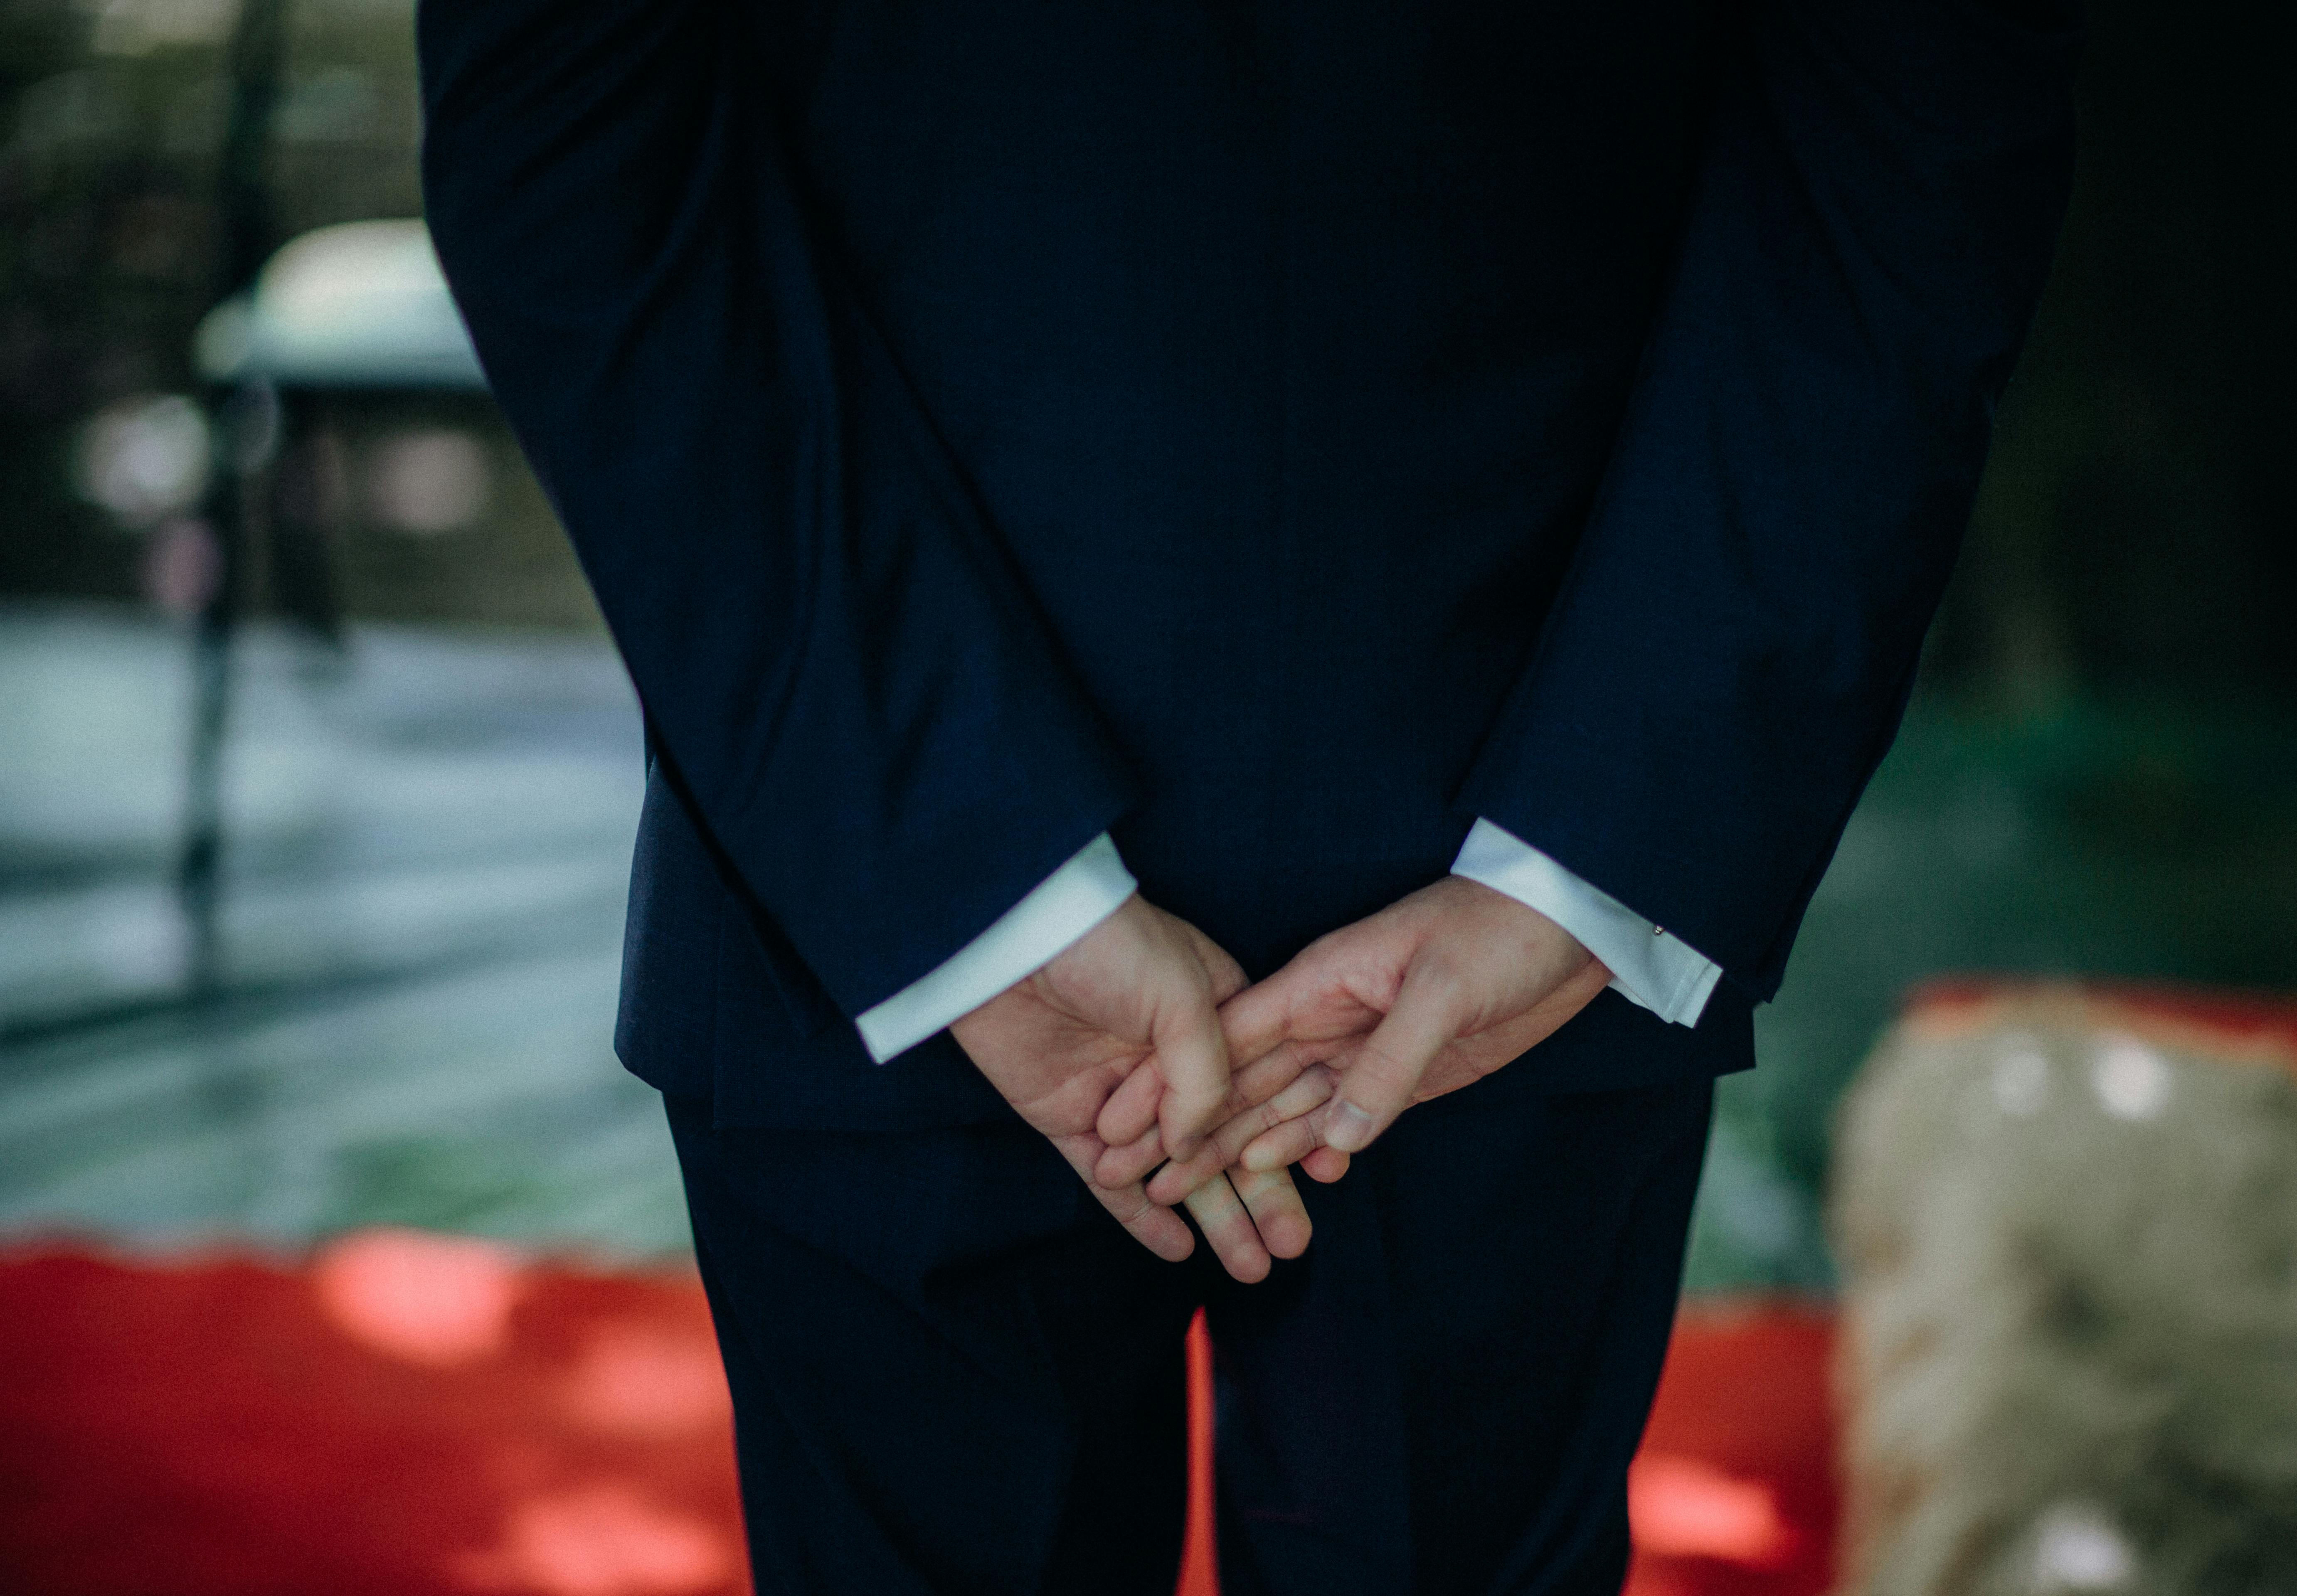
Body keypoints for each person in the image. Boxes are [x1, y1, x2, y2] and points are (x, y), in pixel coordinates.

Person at [417, 0, 2078, 1589]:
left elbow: (1918, 118)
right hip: (1402, 795)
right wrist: (1613, 828)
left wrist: (1585, 872)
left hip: (1398, 880)